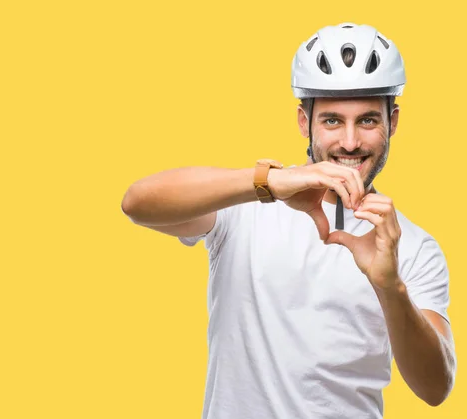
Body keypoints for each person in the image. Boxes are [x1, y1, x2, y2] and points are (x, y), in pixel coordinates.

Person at [121, 22, 456, 418]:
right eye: (332, 120)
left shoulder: (413, 247)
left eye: (367, 120)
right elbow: (137, 203)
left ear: (393, 122)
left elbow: (436, 387)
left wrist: (389, 286)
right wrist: (268, 182)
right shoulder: (247, 205)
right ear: (304, 121)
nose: (350, 141)